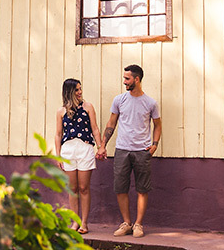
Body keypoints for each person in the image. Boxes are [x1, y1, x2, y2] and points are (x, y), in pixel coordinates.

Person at [102, 64, 161, 238]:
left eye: (127, 78)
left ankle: (138, 224)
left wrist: (155, 144)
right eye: (124, 78)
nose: (124, 82)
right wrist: (103, 144)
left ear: (137, 79)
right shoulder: (119, 100)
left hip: (142, 151)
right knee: (121, 188)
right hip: (122, 150)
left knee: (142, 189)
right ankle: (126, 223)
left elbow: (157, 125)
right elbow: (111, 124)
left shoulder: (150, 103)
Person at [53, 78, 105, 233]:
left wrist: (101, 146)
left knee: (83, 187)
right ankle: (75, 222)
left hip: (85, 148)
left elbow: (95, 128)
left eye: (80, 89)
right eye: (76, 89)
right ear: (69, 92)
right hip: (68, 150)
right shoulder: (61, 111)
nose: (80, 92)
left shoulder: (88, 107)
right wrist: (58, 155)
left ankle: (84, 223)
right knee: (72, 188)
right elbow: (57, 134)